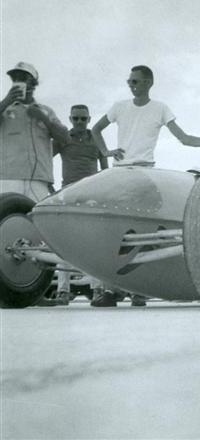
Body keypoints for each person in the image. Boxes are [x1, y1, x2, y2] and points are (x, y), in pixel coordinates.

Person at [91, 64, 200, 306]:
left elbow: (184, 138)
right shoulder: (119, 107)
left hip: (145, 172)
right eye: (129, 81)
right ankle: (111, 290)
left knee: (143, 231)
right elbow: (96, 129)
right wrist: (105, 151)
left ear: (148, 83)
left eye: (135, 81)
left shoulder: (160, 108)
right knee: (114, 229)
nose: (131, 85)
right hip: (120, 173)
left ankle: (139, 291)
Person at [52, 104, 109, 306]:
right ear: (70, 119)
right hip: (68, 191)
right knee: (63, 241)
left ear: (89, 119)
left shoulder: (97, 140)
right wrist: (49, 185)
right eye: (75, 118)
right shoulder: (62, 138)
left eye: (83, 119)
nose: (79, 122)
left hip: (92, 192)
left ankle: (99, 289)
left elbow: (105, 170)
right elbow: (44, 159)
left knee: (95, 240)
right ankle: (62, 290)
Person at [0, 62, 68, 201]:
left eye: (23, 78)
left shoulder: (46, 111)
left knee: (34, 220)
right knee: (5, 219)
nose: (18, 81)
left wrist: (43, 118)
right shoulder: (4, 109)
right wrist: (6, 101)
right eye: (15, 78)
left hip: (39, 179)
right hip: (8, 178)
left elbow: (64, 138)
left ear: (33, 84)